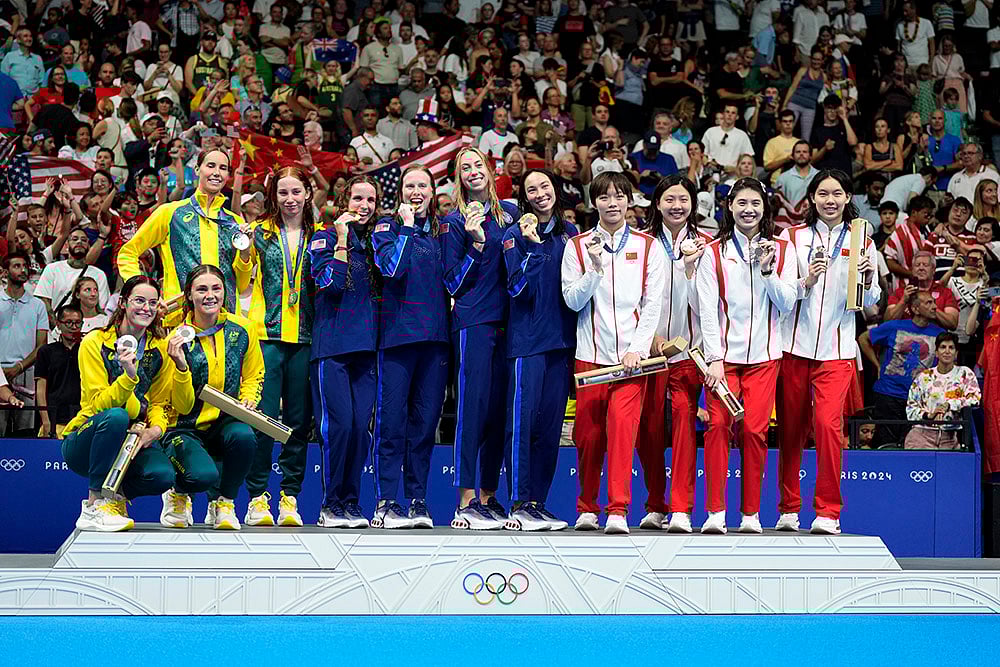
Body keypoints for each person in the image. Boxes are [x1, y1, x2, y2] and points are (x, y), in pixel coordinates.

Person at [561, 171, 665, 535]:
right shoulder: (576, 246)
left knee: (623, 433)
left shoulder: (649, 246)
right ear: (594, 203)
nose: (612, 203)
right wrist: (594, 269)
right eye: (604, 197)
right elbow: (572, 300)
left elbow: (653, 304)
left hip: (631, 362)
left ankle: (618, 509)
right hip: (590, 355)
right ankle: (587, 508)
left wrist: (638, 349)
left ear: (630, 201)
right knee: (588, 437)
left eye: (619, 196)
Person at [777, 170, 880, 535]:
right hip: (793, 348)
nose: (830, 200)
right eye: (823, 193)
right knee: (790, 430)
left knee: (828, 427)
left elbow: (871, 302)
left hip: (838, 350)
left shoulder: (862, 239)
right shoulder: (792, 237)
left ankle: (828, 512)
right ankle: (789, 509)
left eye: (837, 193)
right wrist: (806, 281)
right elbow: (782, 294)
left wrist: (868, 279)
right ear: (812, 199)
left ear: (849, 198)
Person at [696, 178, 797, 534]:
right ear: (729, 207)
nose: (748, 210)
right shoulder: (713, 252)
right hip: (724, 360)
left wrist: (768, 271)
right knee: (717, 427)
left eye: (755, 203)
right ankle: (715, 513)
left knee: (755, 431)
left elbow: (787, 303)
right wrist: (714, 358)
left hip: (765, 358)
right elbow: (707, 311)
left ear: (765, 208)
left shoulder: (783, 250)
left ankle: (751, 514)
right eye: (741, 203)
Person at [62, 276, 191, 532]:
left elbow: (160, 403)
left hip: (132, 440)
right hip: (87, 440)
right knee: (117, 417)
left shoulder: (160, 349)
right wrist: (129, 377)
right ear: (122, 303)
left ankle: (115, 499)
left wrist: (155, 430)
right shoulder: (94, 342)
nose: (146, 308)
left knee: (163, 476)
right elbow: (98, 404)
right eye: (139, 301)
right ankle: (94, 503)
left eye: (153, 303)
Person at [442, 146, 521, 529]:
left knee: (499, 413)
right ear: (458, 178)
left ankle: (489, 496)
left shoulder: (510, 214)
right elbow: (451, 281)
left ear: (489, 170)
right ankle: (465, 499)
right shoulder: (454, 222)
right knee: (472, 410)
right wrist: (474, 244)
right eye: (464, 168)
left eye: (477, 165)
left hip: (512, 325)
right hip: (474, 322)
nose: (472, 171)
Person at [371, 166, 450, 529]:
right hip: (397, 340)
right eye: (410, 186)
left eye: (423, 185)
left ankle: (417, 500)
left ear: (432, 192)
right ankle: (387, 501)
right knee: (391, 424)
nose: (416, 191)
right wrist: (405, 226)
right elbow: (392, 269)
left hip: (435, 342)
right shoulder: (386, 227)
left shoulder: (442, 231)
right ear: (400, 192)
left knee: (424, 425)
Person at [500, 169, 579, 531]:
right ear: (525, 197)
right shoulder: (514, 235)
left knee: (550, 429)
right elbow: (517, 289)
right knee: (522, 426)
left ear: (555, 190)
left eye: (545, 186)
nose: (540, 193)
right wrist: (531, 246)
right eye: (532, 189)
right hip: (527, 344)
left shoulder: (571, 235)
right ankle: (518, 502)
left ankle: (538, 502)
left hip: (562, 344)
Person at [160, 265, 264, 531]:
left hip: (224, 421)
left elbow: (254, 374)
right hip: (184, 425)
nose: (210, 295)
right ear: (189, 296)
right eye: (201, 289)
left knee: (244, 436)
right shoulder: (175, 337)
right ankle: (178, 494)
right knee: (202, 476)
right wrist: (181, 367)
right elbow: (180, 404)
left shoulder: (243, 328)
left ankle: (224, 502)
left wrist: (249, 398)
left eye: (216, 288)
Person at [635, 175, 711, 533]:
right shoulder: (643, 244)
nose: (677, 206)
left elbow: (712, 304)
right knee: (647, 431)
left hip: (687, 355)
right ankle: (656, 503)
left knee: (683, 427)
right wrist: (644, 338)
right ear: (657, 203)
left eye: (683, 199)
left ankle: (681, 508)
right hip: (648, 354)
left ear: (693, 204)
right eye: (670, 199)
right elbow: (630, 298)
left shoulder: (707, 245)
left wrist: (693, 268)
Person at [242, 167, 316, 528]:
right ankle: (257, 497)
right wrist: (242, 253)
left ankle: (290, 495)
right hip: (266, 336)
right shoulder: (258, 234)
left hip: (305, 336)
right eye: (283, 192)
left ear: (308, 194)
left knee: (299, 423)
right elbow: (240, 280)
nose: (289, 199)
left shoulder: (320, 236)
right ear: (273, 196)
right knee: (262, 421)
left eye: (296, 192)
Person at [309, 176, 381, 529]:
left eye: (370, 200)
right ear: (344, 200)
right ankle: (329, 504)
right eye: (357, 198)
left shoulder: (376, 243)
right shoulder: (323, 236)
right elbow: (329, 284)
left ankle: (350, 502)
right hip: (332, 347)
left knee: (359, 430)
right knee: (337, 428)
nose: (363, 206)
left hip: (367, 349)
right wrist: (340, 239)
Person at [118, 149, 253, 321]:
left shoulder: (233, 222)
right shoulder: (170, 213)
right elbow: (128, 253)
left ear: (228, 175)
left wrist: (245, 252)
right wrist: (143, 292)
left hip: (225, 320)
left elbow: (240, 286)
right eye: (211, 166)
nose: (216, 173)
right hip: (180, 320)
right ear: (197, 169)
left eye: (223, 168)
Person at [859, 290, 945, 447]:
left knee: (911, 445)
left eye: (934, 302)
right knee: (886, 445)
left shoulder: (940, 334)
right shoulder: (894, 326)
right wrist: (876, 364)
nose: (934, 306)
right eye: (929, 303)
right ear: (915, 308)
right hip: (888, 394)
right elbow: (863, 338)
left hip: (919, 400)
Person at [0, 252, 50, 436]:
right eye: (16, 266)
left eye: (24, 266)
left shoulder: (37, 305)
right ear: (5, 272)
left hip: (27, 373)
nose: (23, 270)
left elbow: (42, 346)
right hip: (0, 374)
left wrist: (19, 367)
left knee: (25, 433)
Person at [904, 332, 980, 450]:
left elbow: (974, 399)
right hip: (921, 436)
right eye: (943, 347)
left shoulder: (965, 373)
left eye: (951, 348)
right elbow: (910, 409)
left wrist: (950, 405)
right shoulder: (923, 377)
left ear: (956, 353)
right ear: (936, 353)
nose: (947, 351)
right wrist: (929, 415)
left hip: (950, 438)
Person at [35, 304, 83, 438]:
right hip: (54, 419)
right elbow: (40, 389)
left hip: (82, 418)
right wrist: (46, 421)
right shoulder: (46, 351)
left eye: (78, 323)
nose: (73, 327)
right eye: (68, 322)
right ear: (58, 324)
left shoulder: (87, 350)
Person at [885, 251, 959, 330]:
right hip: (905, 338)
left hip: (935, 339)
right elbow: (887, 322)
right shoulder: (900, 293)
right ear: (912, 270)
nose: (921, 268)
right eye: (917, 265)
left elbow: (952, 324)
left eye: (925, 265)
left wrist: (928, 308)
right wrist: (903, 301)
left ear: (933, 270)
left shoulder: (945, 293)